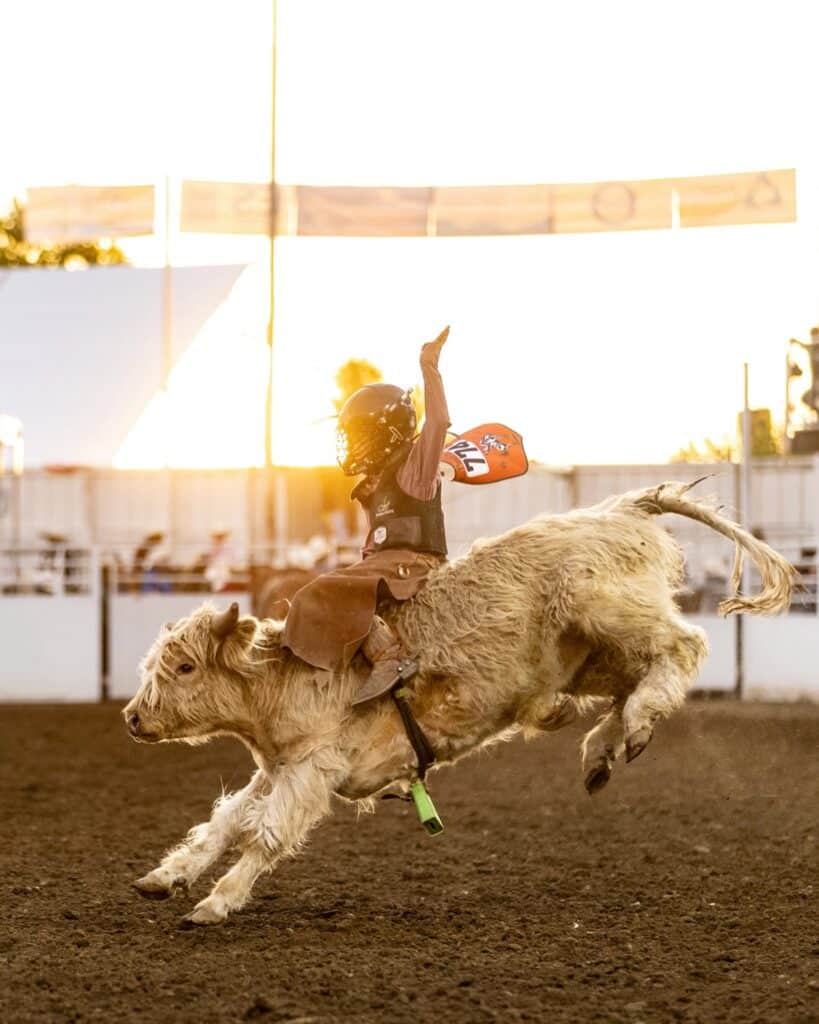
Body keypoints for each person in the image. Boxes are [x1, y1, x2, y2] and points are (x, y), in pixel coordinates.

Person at [283, 327, 451, 703]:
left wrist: (429, 367)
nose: (351, 443)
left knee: (322, 590)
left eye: (358, 433)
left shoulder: (414, 469)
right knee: (324, 593)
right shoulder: (375, 484)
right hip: (387, 568)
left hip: (412, 567)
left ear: (385, 432)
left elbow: (437, 423)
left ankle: (390, 657)